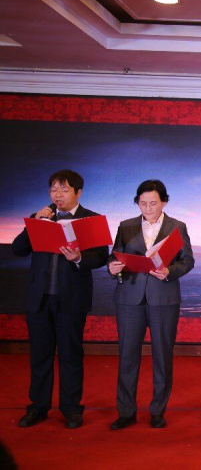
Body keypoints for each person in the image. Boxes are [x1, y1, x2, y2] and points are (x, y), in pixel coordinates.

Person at [11, 169, 109, 429]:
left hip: (71, 298)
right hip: (40, 298)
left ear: (78, 192)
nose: (58, 195)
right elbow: (18, 250)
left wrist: (78, 258)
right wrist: (34, 222)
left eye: (64, 190)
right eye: (54, 189)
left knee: (70, 354)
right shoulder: (41, 217)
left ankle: (71, 409)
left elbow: (101, 256)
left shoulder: (91, 219)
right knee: (39, 355)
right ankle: (38, 407)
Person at [106, 180, 194, 430]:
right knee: (127, 356)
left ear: (164, 202)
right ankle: (126, 412)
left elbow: (187, 261)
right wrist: (113, 268)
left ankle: (157, 411)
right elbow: (114, 256)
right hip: (129, 298)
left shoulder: (177, 227)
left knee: (162, 356)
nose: (148, 208)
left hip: (163, 298)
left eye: (153, 203)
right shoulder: (126, 226)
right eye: (142, 203)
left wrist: (168, 272)